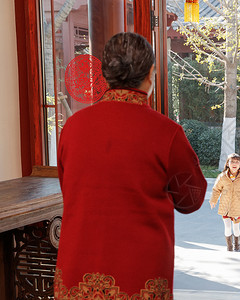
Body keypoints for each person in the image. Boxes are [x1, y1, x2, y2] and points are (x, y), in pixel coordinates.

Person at [54, 32, 207, 299]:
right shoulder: (166, 133)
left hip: (79, 271)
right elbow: (191, 199)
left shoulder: (73, 128)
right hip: (139, 274)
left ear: (105, 74)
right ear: (150, 74)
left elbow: (70, 190)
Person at [210, 153, 240, 252]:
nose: (234, 164)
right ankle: (229, 247)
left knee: (236, 228)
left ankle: (237, 246)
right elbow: (216, 189)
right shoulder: (222, 177)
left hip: (237, 207)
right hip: (225, 207)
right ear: (227, 164)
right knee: (227, 226)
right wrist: (213, 200)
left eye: (237, 162)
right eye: (232, 162)